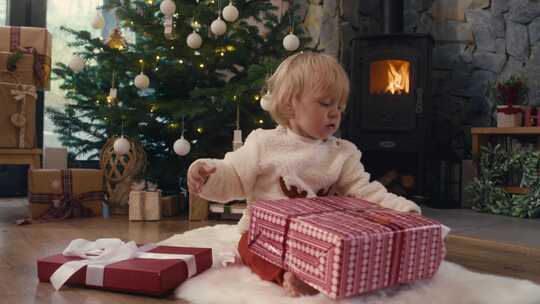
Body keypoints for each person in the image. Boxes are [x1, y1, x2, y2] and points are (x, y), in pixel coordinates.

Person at [187, 51, 421, 297]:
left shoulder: (342, 153)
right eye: (325, 103)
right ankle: (289, 277)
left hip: (318, 238)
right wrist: (208, 175)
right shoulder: (264, 144)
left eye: (339, 106)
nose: (335, 113)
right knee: (248, 246)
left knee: (345, 250)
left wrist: (401, 211)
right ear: (290, 104)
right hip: (267, 235)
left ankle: (320, 273)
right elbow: (234, 176)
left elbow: (364, 192)